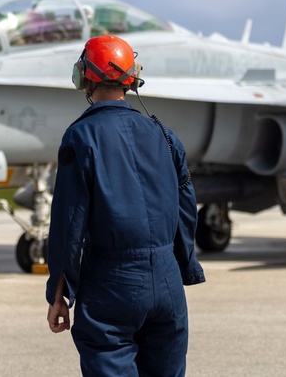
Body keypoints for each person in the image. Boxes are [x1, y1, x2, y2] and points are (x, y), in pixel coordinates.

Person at [46, 35, 205, 376]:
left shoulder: (81, 136)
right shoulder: (163, 134)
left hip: (111, 283)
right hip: (167, 283)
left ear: (85, 77)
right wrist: (183, 266)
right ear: (133, 78)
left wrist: (60, 291)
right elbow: (186, 203)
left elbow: (68, 222)